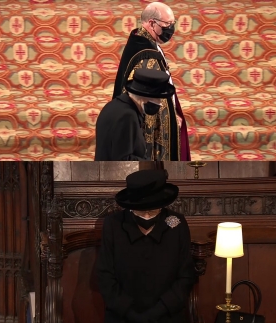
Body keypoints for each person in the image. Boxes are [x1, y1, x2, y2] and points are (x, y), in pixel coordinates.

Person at [97, 169, 195, 323]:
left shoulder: (176, 223)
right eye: (142, 211)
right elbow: (105, 276)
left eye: (153, 210)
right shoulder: (113, 224)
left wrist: (156, 313)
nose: (147, 216)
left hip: (168, 316)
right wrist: (132, 314)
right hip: (123, 317)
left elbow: (186, 276)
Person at [112, 2, 190, 161]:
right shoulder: (147, 56)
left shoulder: (140, 40)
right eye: (167, 24)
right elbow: (149, 99)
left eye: (172, 23)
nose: (171, 29)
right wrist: (171, 120)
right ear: (151, 23)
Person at [95, 68, 176, 161]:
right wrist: (150, 165)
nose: (160, 103)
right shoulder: (127, 116)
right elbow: (122, 160)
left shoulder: (117, 105)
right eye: (158, 98)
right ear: (145, 98)